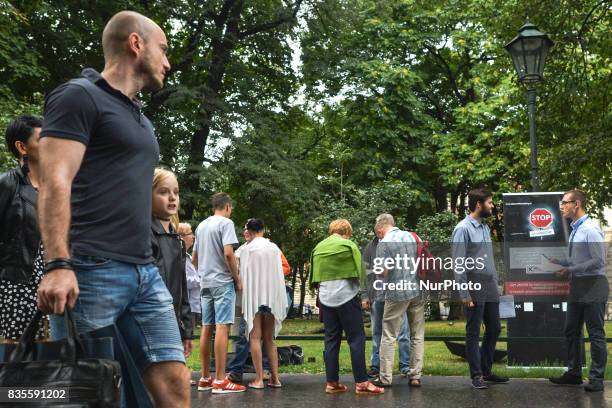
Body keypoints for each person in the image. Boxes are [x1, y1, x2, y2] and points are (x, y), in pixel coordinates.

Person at [36, 11, 190, 407]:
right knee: (95, 394)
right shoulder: (78, 96)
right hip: (90, 269)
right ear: (136, 44)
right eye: (164, 49)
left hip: (144, 271)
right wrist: (57, 264)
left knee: (175, 383)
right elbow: (55, 181)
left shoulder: (140, 117)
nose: (168, 62)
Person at [310, 219, 384, 395]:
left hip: (326, 298)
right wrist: (365, 295)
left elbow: (315, 275)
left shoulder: (318, 248)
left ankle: (332, 382)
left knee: (331, 339)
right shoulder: (349, 246)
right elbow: (361, 274)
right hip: (346, 297)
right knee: (356, 338)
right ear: (347, 232)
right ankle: (362, 383)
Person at [549, 190, 608, 392]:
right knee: (571, 330)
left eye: (565, 203)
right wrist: (561, 261)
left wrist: (570, 269)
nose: (562, 206)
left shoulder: (591, 229)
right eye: (561, 203)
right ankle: (574, 374)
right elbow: (581, 259)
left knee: (595, 334)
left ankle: (597, 379)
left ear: (577, 204)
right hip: (578, 286)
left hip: (594, 285)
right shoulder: (575, 229)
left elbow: (598, 261)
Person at [452, 188, 508, 389]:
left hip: (489, 285)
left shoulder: (484, 228)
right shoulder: (462, 228)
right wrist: (464, 293)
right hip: (473, 283)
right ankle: (476, 376)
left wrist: (497, 284)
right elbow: (458, 263)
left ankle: (486, 370)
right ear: (479, 204)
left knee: (494, 327)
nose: (492, 206)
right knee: (473, 331)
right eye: (490, 202)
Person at [193, 192, 246, 393]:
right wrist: (237, 278)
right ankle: (221, 380)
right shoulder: (225, 223)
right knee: (223, 327)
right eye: (230, 209)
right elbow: (228, 253)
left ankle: (205, 378)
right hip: (222, 282)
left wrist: (201, 274)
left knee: (207, 327)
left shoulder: (201, 226)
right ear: (226, 207)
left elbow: (195, 256)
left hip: (205, 282)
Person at [0, 115, 47, 341]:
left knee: (56, 364)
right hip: (19, 285)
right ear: (22, 147)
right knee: (20, 364)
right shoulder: (7, 184)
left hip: (57, 283)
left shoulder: (60, 188)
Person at [372, 214, 425, 388]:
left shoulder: (384, 242)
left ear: (380, 229)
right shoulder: (412, 236)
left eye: (377, 233)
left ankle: (385, 378)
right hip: (417, 290)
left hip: (397, 293)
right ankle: (415, 375)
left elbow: (384, 273)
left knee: (388, 335)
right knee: (417, 334)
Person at [239, 218, 287, 389]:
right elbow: (280, 272)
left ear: (249, 231)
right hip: (271, 298)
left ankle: (259, 379)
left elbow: (239, 269)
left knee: (254, 337)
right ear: (263, 230)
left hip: (254, 298)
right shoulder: (273, 248)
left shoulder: (246, 249)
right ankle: (275, 378)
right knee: (269, 339)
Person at [150, 168, 193, 356]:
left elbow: (182, 288)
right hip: (153, 322)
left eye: (175, 192)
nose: (172, 198)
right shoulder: (145, 234)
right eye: (163, 192)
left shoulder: (176, 238)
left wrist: (187, 331)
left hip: (173, 323)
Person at [361, 230, 411, 378]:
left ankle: (405, 365)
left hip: (397, 295)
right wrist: (365, 296)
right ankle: (376, 365)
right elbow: (364, 274)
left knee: (403, 332)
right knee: (377, 332)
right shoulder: (370, 247)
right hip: (377, 296)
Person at [178, 222, 201, 328]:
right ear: (181, 237)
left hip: (192, 305)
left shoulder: (187, 256)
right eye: (190, 233)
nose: (193, 236)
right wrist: (200, 281)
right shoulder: (179, 256)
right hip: (183, 306)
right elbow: (184, 280)